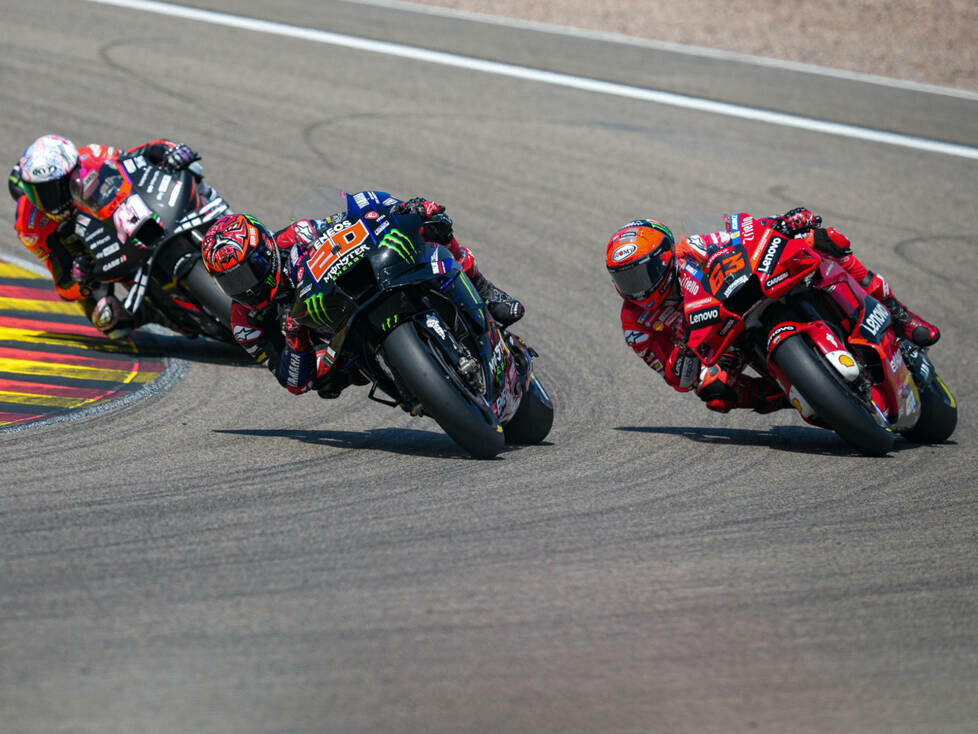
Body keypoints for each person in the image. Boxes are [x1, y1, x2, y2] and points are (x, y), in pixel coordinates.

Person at [605, 208, 941, 414]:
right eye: (625, 278)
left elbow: (743, 232)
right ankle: (789, 393)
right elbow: (677, 379)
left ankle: (900, 315)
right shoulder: (636, 323)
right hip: (721, 345)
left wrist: (783, 222)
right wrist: (683, 348)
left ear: (665, 259)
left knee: (822, 240)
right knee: (715, 393)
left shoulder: (691, 249)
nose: (637, 288)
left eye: (641, 274)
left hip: (750, 294)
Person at [200, 193, 524, 398]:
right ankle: (416, 385)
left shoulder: (295, 237)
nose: (244, 287)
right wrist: (296, 341)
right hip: (334, 351)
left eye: (246, 273)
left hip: (358, 291)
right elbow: (293, 382)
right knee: (326, 385)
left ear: (264, 251)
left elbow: (350, 218)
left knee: (431, 228)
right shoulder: (245, 322)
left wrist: (402, 208)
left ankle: (485, 290)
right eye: (230, 282)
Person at [9, 133, 201, 338]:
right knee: (109, 320)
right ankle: (154, 314)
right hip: (97, 257)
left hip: (127, 215)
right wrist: (78, 278)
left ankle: (216, 219)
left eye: (49, 189)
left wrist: (168, 151)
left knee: (189, 169)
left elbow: (135, 159)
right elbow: (61, 281)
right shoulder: (31, 225)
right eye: (34, 192)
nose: (45, 200)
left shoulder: (91, 156)